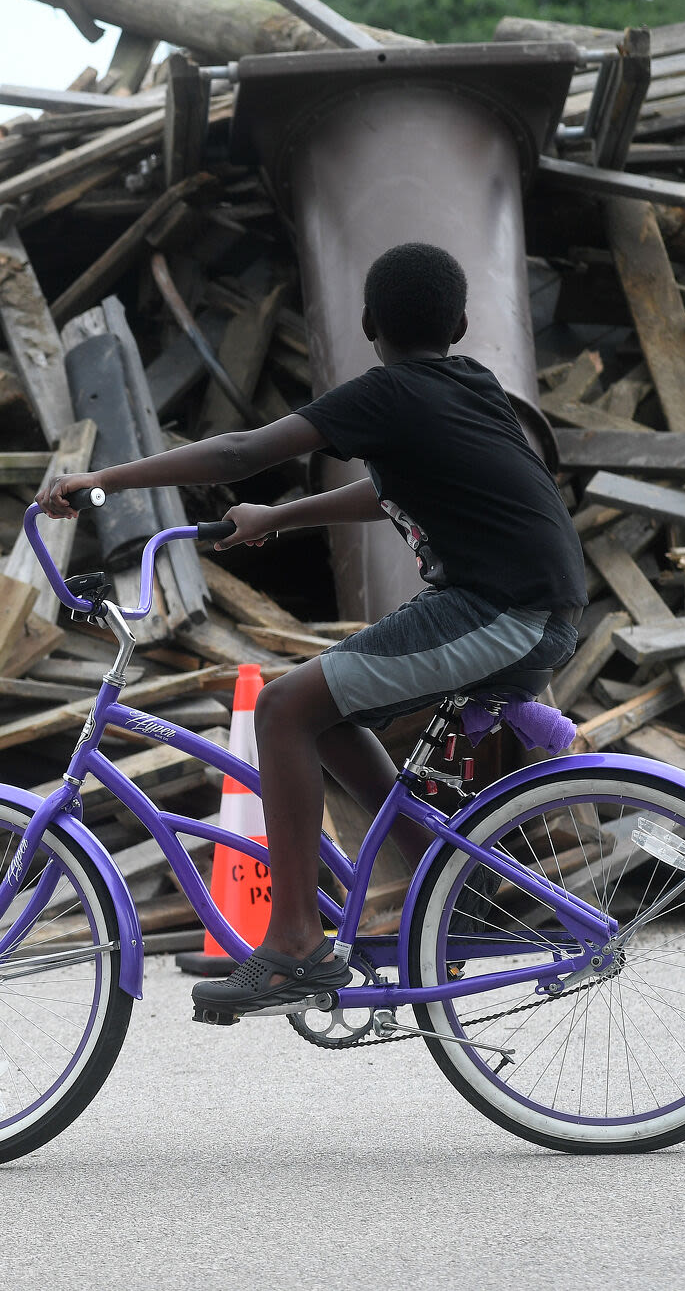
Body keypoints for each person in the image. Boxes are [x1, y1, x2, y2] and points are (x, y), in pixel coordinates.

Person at [35, 241, 586, 1017]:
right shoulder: (468, 385)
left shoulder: (389, 393)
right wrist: (278, 518)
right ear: (460, 323)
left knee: (284, 706)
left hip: (501, 610)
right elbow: (392, 493)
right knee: (321, 716)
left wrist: (103, 480)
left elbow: (239, 450)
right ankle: (445, 884)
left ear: (366, 323)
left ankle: (293, 943)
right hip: (530, 606)